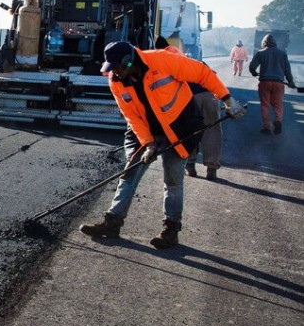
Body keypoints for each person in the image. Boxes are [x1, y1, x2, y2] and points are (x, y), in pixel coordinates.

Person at [80, 41, 245, 249]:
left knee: (173, 179)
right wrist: (148, 144)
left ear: (129, 61)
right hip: (146, 129)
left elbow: (203, 73)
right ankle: (112, 223)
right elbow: (131, 116)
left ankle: (171, 230)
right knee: (130, 173)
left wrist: (228, 99)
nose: (114, 73)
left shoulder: (162, 60)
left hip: (179, 125)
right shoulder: (115, 80)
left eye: (117, 68)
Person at [156, 36, 223, 180]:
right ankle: (212, 168)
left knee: (191, 131)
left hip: (191, 98)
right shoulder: (196, 61)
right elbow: (213, 78)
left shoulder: (169, 63)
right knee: (212, 131)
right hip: (209, 95)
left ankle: (190, 166)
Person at [249, 34, 296, 134]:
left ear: (264, 43)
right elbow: (287, 70)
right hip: (278, 83)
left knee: (265, 104)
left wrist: (254, 72)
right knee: (278, 104)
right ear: (275, 43)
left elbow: (252, 67)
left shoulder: (260, 53)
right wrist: (290, 81)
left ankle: (267, 127)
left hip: (265, 82)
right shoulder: (282, 53)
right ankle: (278, 120)